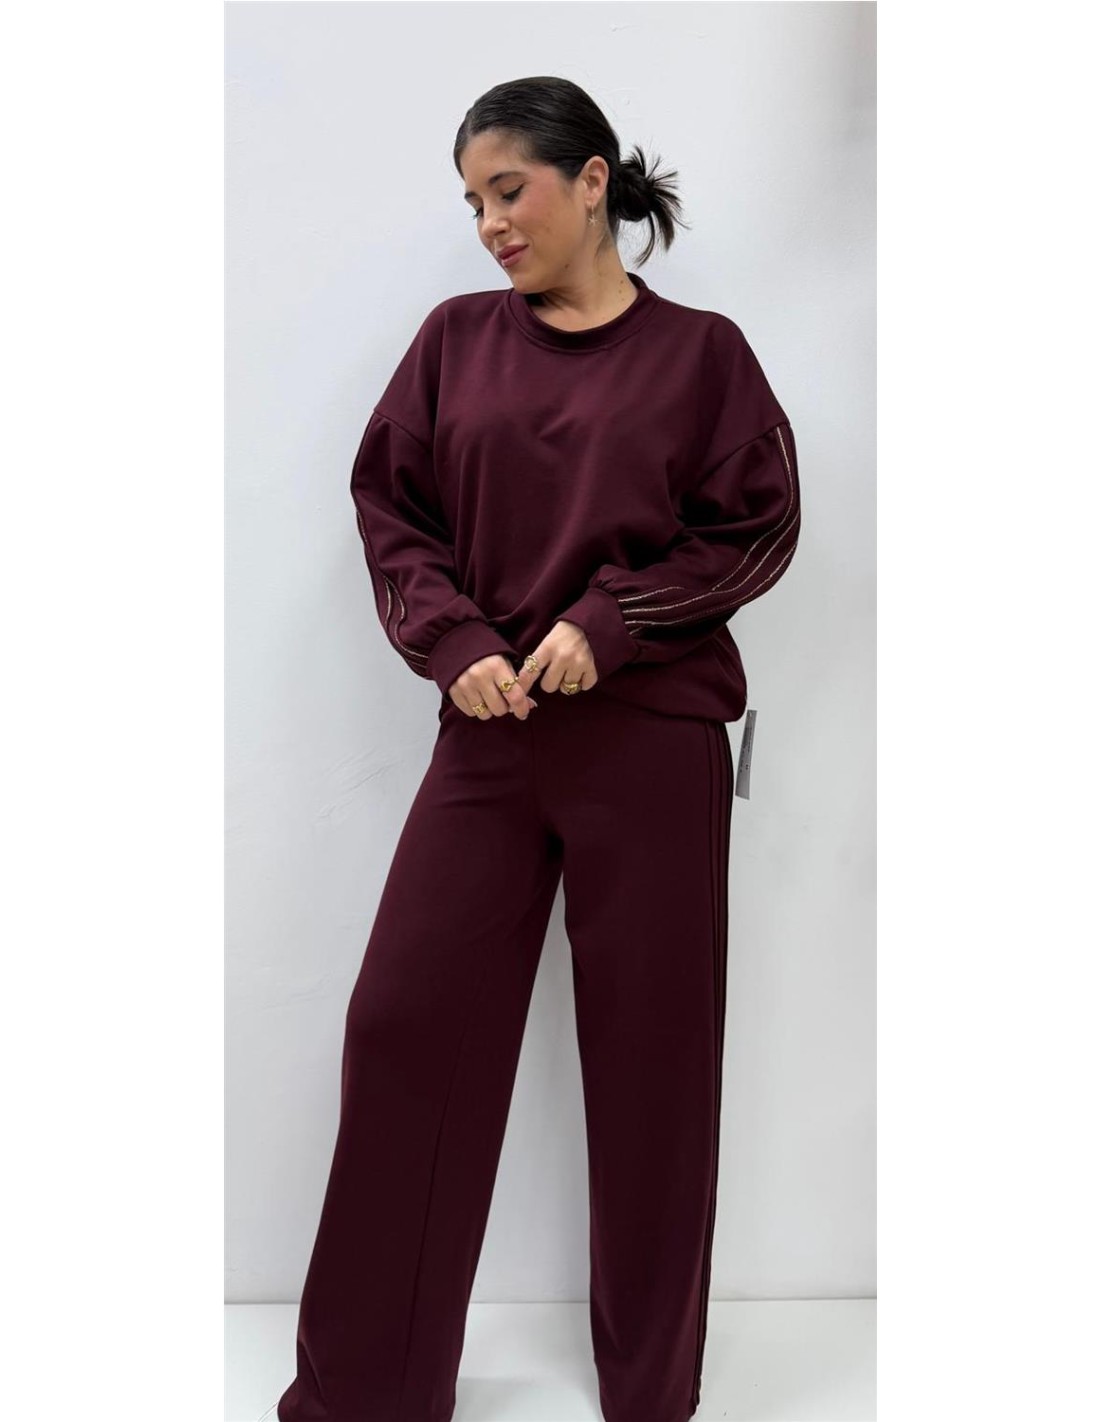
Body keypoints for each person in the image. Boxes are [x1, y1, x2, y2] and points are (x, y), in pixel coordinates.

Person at [277, 75, 801, 1422]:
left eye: (507, 190)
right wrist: (453, 639)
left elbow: (754, 527)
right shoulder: (454, 341)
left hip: (653, 742)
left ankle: (648, 1393)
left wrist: (613, 621)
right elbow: (390, 505)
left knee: (655, 1066)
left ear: (591, 178)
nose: (489, 224)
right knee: (404, 1027)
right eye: (472, 203)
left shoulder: (704, 357)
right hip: (489, 735)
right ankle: (365, 1394)